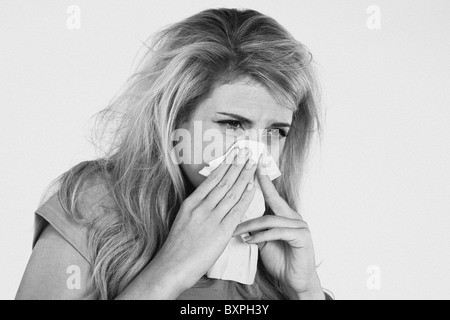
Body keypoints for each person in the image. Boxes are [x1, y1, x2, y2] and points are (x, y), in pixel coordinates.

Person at [16, 8, 330, 300]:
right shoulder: (98, 203)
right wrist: (171, 270)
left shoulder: (274, 244)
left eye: (275, 131)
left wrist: (307, 291)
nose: (254, 153)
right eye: (233, 124)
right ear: (174, 121)